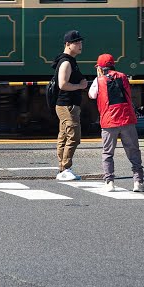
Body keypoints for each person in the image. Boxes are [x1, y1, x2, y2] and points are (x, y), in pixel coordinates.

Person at [87, 54, 144, 192]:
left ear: (100, 68)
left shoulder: (98, 80)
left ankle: (110, 182)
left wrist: (99, 76)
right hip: (127, 119)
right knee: (133, 151)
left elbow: (91, 95)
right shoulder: (123, 77)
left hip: (108, 122)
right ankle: (138, 182)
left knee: (108, 153)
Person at [51, 30, 88, 181]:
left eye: (80, 42)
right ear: (68, 44)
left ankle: (63, 168)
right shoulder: (66, 62)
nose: (80, 45)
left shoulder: (69, 60)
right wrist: (80, 86)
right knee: (74, 136)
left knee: (64, 136)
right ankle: (65, 168)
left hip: (67, 105)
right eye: (77, 43)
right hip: (67, 105)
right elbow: (63, 84)